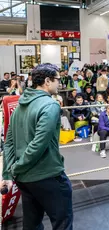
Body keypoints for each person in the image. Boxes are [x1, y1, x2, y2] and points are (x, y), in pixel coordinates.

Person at [1, 63, 73, 229]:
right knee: (63, 223)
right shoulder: (51, 105)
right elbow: (38, 145)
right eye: (58, 80)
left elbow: (9, 142)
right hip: (47, 175)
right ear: (47, 81)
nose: (59, 84)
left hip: (24, 180)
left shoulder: (20, 106)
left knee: (32, 224)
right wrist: (15, 169)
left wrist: (8, 174)